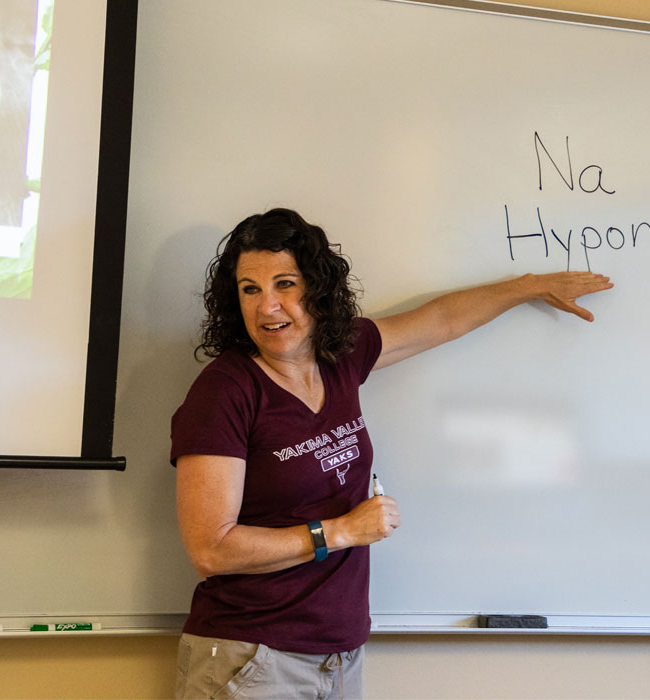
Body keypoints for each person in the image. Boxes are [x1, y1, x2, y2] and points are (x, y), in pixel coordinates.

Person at [170, 208, 612, 699]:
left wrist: (528, 286)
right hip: (252, 657)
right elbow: (211, 549)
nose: (268, 306)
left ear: (316, 287)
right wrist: (339, 531)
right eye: (250, 289)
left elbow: (441, 320)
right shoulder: (224, 393)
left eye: (285, 284)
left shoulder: (339, 358)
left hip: (339, 655)